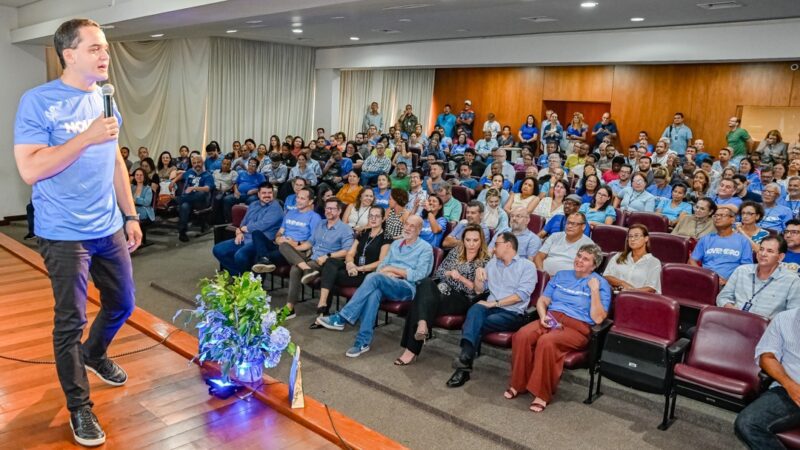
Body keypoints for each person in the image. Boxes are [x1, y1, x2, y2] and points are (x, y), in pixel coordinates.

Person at [12, 18, 142, 446]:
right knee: (70, 320)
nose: (105, 55)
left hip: (108, 227)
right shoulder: (39, 101)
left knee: (122, 303)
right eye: (95, 48)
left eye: (105, 48)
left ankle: (95, 354)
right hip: (63, 233)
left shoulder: (106, 99)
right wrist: (84, 137)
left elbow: (116, 162)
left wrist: (131, 215)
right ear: (69, 54)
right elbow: (30, 168)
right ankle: (80, 408)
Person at [506, 244, 611, 412]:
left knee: (547, 342)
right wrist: (543, 316)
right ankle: (518, 383)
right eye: (579, 256)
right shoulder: (561, 275)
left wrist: (595, 291)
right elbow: (543, 300)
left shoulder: (600, 284)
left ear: (594, 265)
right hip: (551, 318)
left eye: (585, 259)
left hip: (578, 327)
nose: (579, 260)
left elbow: (598, 318)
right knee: (521, 335)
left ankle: (542, 394)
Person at [316, 216, 433, 357]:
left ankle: (343, 317)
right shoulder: (396, 244)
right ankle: (362, 342)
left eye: (412, 226)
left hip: (407, 287)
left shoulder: (425, 248)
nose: (407, 228)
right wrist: (387, 272)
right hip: (386, 281)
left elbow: (420, 274)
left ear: (419, 230)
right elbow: (382, 266)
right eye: (406, 224)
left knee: (373, 277)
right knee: (374, 293)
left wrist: (393, 270)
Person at [396, 225, 490, 365]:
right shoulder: (455, 252)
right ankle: (422, 325)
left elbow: (478, 291)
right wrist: (449, 273)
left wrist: (461, 278)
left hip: (461, 298)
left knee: (420, 301)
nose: (471, 244)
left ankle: (412, 347)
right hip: (441, 289)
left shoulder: (486, 261)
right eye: (468, 240)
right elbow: (439, 273)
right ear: (463, 240)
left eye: (475, 240)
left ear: (481, 241)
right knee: (425, 282)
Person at [310, 206, 391, 328]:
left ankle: (322, 313)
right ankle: (322, 305)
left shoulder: (386, 237)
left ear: (383, 218)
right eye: (371, 216)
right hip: (353, 268)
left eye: (377, 216)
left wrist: (359, 269)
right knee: (331, 262)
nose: (373, 219)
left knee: (329, 275)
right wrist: (350, 264)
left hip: (366, 274)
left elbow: (381, 262)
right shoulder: (363, 232)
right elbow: (350, 253)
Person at [733, 307, 800, 448]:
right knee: (747, 423)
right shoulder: (784, 318)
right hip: (788, 389)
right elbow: (767, 357)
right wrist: (790, 385)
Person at [280, 198, 353, 317]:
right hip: (310, 257)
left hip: (324, 262)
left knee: (295, 268)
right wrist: (294, 250)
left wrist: (328, 255)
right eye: (327, 208)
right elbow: (310, 242)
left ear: (339, 211)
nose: (328, 211)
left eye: (332, 208)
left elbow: (347, 251)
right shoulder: (321, 223)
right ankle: (306, 269)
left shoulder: (345, 229)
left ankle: (289, 308)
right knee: (284, 245)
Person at [251, 187, 320, 288]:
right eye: (298, 197)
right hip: (279, 244)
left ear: (310, 201)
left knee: (258, 258)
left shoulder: (315, 217)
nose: (298, 200)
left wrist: (296, 244)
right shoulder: (290, 213)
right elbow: (280, 232)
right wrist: (278, 238)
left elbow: (312, 241)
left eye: (302, 198)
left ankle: (255, 289)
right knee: (256, 233)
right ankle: (264, 259)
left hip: (292, 250)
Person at [716, 236, 800, 318]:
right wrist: (730, 308)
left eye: (770, 251)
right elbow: (723, 297)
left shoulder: (792, 280)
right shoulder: (741, 271)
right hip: (734, 320)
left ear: (780, 257)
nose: (763, 254)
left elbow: (792, 315)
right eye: (761, 249)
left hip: (766, 329)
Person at [212, 183, 283, 276]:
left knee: (240, 256)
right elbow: (244, 221)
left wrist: (246, 228)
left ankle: (247, 280)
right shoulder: (253, 204)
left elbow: (263, 225)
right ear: (258, 194)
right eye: (264, 192)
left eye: (269, 193)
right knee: (218, 249)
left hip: (261, 242)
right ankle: (239, 276)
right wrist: (240, 232)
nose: (267, 195)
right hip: (244, 237)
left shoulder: (276, 207)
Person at [689, 204, 754, 285]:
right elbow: (692, 260)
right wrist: (703, 275)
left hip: (729, 284)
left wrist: (729, 283)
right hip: (704, 280)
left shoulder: (743, 241)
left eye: (722, 215)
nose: (718, 218)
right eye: (715, 215)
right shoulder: (706, 239)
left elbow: (746, 268)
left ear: (732, 219)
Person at [603, 225, 662, 293]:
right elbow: (606, 276)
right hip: (613, 295)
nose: (632, 239)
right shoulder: (618, 256)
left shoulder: (654, 262)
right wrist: (622, 283)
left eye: (636, 236)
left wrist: (630, 291)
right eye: (630, 236)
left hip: (637, 299)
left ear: (646, 238)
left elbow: (651, 288)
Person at [177, 154, 215, 242]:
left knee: (201, 193)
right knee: (184, 206)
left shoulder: (208, 175)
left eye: (198, 162)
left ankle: (178, 200)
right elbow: (182, 175)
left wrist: (193, 188)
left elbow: (207, 188)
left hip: (202, 202)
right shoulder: (190, 171)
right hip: (190, 200)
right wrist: (173, 182)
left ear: (202, 163)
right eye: (194, 163)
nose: (196, 164)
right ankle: (182, 232)